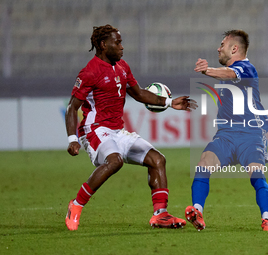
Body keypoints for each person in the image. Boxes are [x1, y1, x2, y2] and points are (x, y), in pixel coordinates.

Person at [65, 24, 197, 231]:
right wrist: (72, 139)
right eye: (117, 43)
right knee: (115, 161)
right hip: (95, 130)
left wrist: (170, 103)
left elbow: (138, 93)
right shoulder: (89, 72)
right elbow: (72, 107)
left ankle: (160, 215)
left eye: (121, 42)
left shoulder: (122, 67)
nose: (122, 47)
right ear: (103, 44)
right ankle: (77, 204)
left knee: (157, 160)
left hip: (118, 130)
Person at [185, 30, 268, 231]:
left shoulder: (246, 68)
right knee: (203, 163)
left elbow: (230, 74)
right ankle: (197, 212)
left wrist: (207, 70)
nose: (218, 48)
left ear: (234, 48)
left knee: (256, 174)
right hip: (226, 134)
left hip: (250, 134)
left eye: (222, 45)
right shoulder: (228, 72)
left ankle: (267, 219)